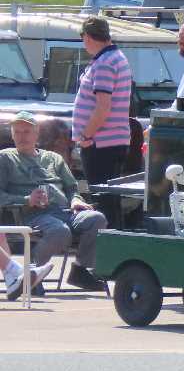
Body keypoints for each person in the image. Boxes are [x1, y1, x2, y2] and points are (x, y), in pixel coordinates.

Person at [0, 111, 108, 291]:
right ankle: (33, 272)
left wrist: (75, 200)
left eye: (26, 132)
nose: (21, 136)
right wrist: (26, 200)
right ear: (12, 134)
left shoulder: (53, 158)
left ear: (36, 134)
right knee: (60, 231)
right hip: (33, 214)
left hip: (66, 211)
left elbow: (72, 188)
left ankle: (80, 270)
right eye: (17, 132)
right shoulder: (5, 158)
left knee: (97, 219)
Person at [73, 15, 132, 226]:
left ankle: (107, 247)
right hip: (112, 141)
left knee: (102, 199)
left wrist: (86, 135)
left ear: (88, 36)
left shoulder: (105, 63)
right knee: (110, 200)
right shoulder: (116, 57)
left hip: (101, 143)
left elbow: (102, 107)